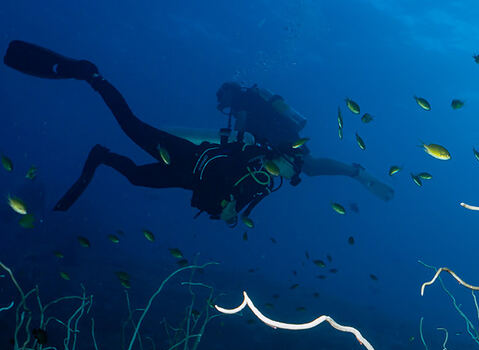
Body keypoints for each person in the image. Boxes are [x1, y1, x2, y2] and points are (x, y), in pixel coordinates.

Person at [3, 41, 390, 225]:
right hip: (187, 157)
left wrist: (228, 213)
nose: (292, 177)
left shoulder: (264, 180)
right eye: (291, 170)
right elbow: (226, 158)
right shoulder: (258, 156)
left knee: (137, 178)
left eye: (293, 174)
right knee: (131, 124)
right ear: (280, 159)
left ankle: (101, 155)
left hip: (183, 175)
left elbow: (314, 168)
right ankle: (92, 74)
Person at [215, 82, 393, 201]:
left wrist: (234, 145)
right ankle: (354, 172)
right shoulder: (248, 98)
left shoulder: (241, 101)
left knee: (310, 165)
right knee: (309, 168)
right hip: (279, 136)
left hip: (280, 135)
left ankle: (355, 171)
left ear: (229, 90)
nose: (220, 101)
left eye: (220, 95)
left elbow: (241, 126)